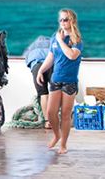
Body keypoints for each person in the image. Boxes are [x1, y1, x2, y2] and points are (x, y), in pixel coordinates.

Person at [36, 9, 83, 154]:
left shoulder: (77, 40)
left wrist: (61, 40)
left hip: (70, 82)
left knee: (65, 115)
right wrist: (41, 70)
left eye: (65, 19)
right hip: (56, 79)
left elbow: (71, 55)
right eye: (60, 20)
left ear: (72, 21)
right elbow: (51, 57)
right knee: (51, 113)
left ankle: (63, 144)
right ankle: (57, 135)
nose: (62, 22)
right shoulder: (54, 37)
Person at [23, 36, 53, 129]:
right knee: (55, 92)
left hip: (37, 67)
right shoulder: (52, 44)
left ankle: (47, 122)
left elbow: (27, 59)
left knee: (43, 94)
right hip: (50, 65)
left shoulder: (32, 47)